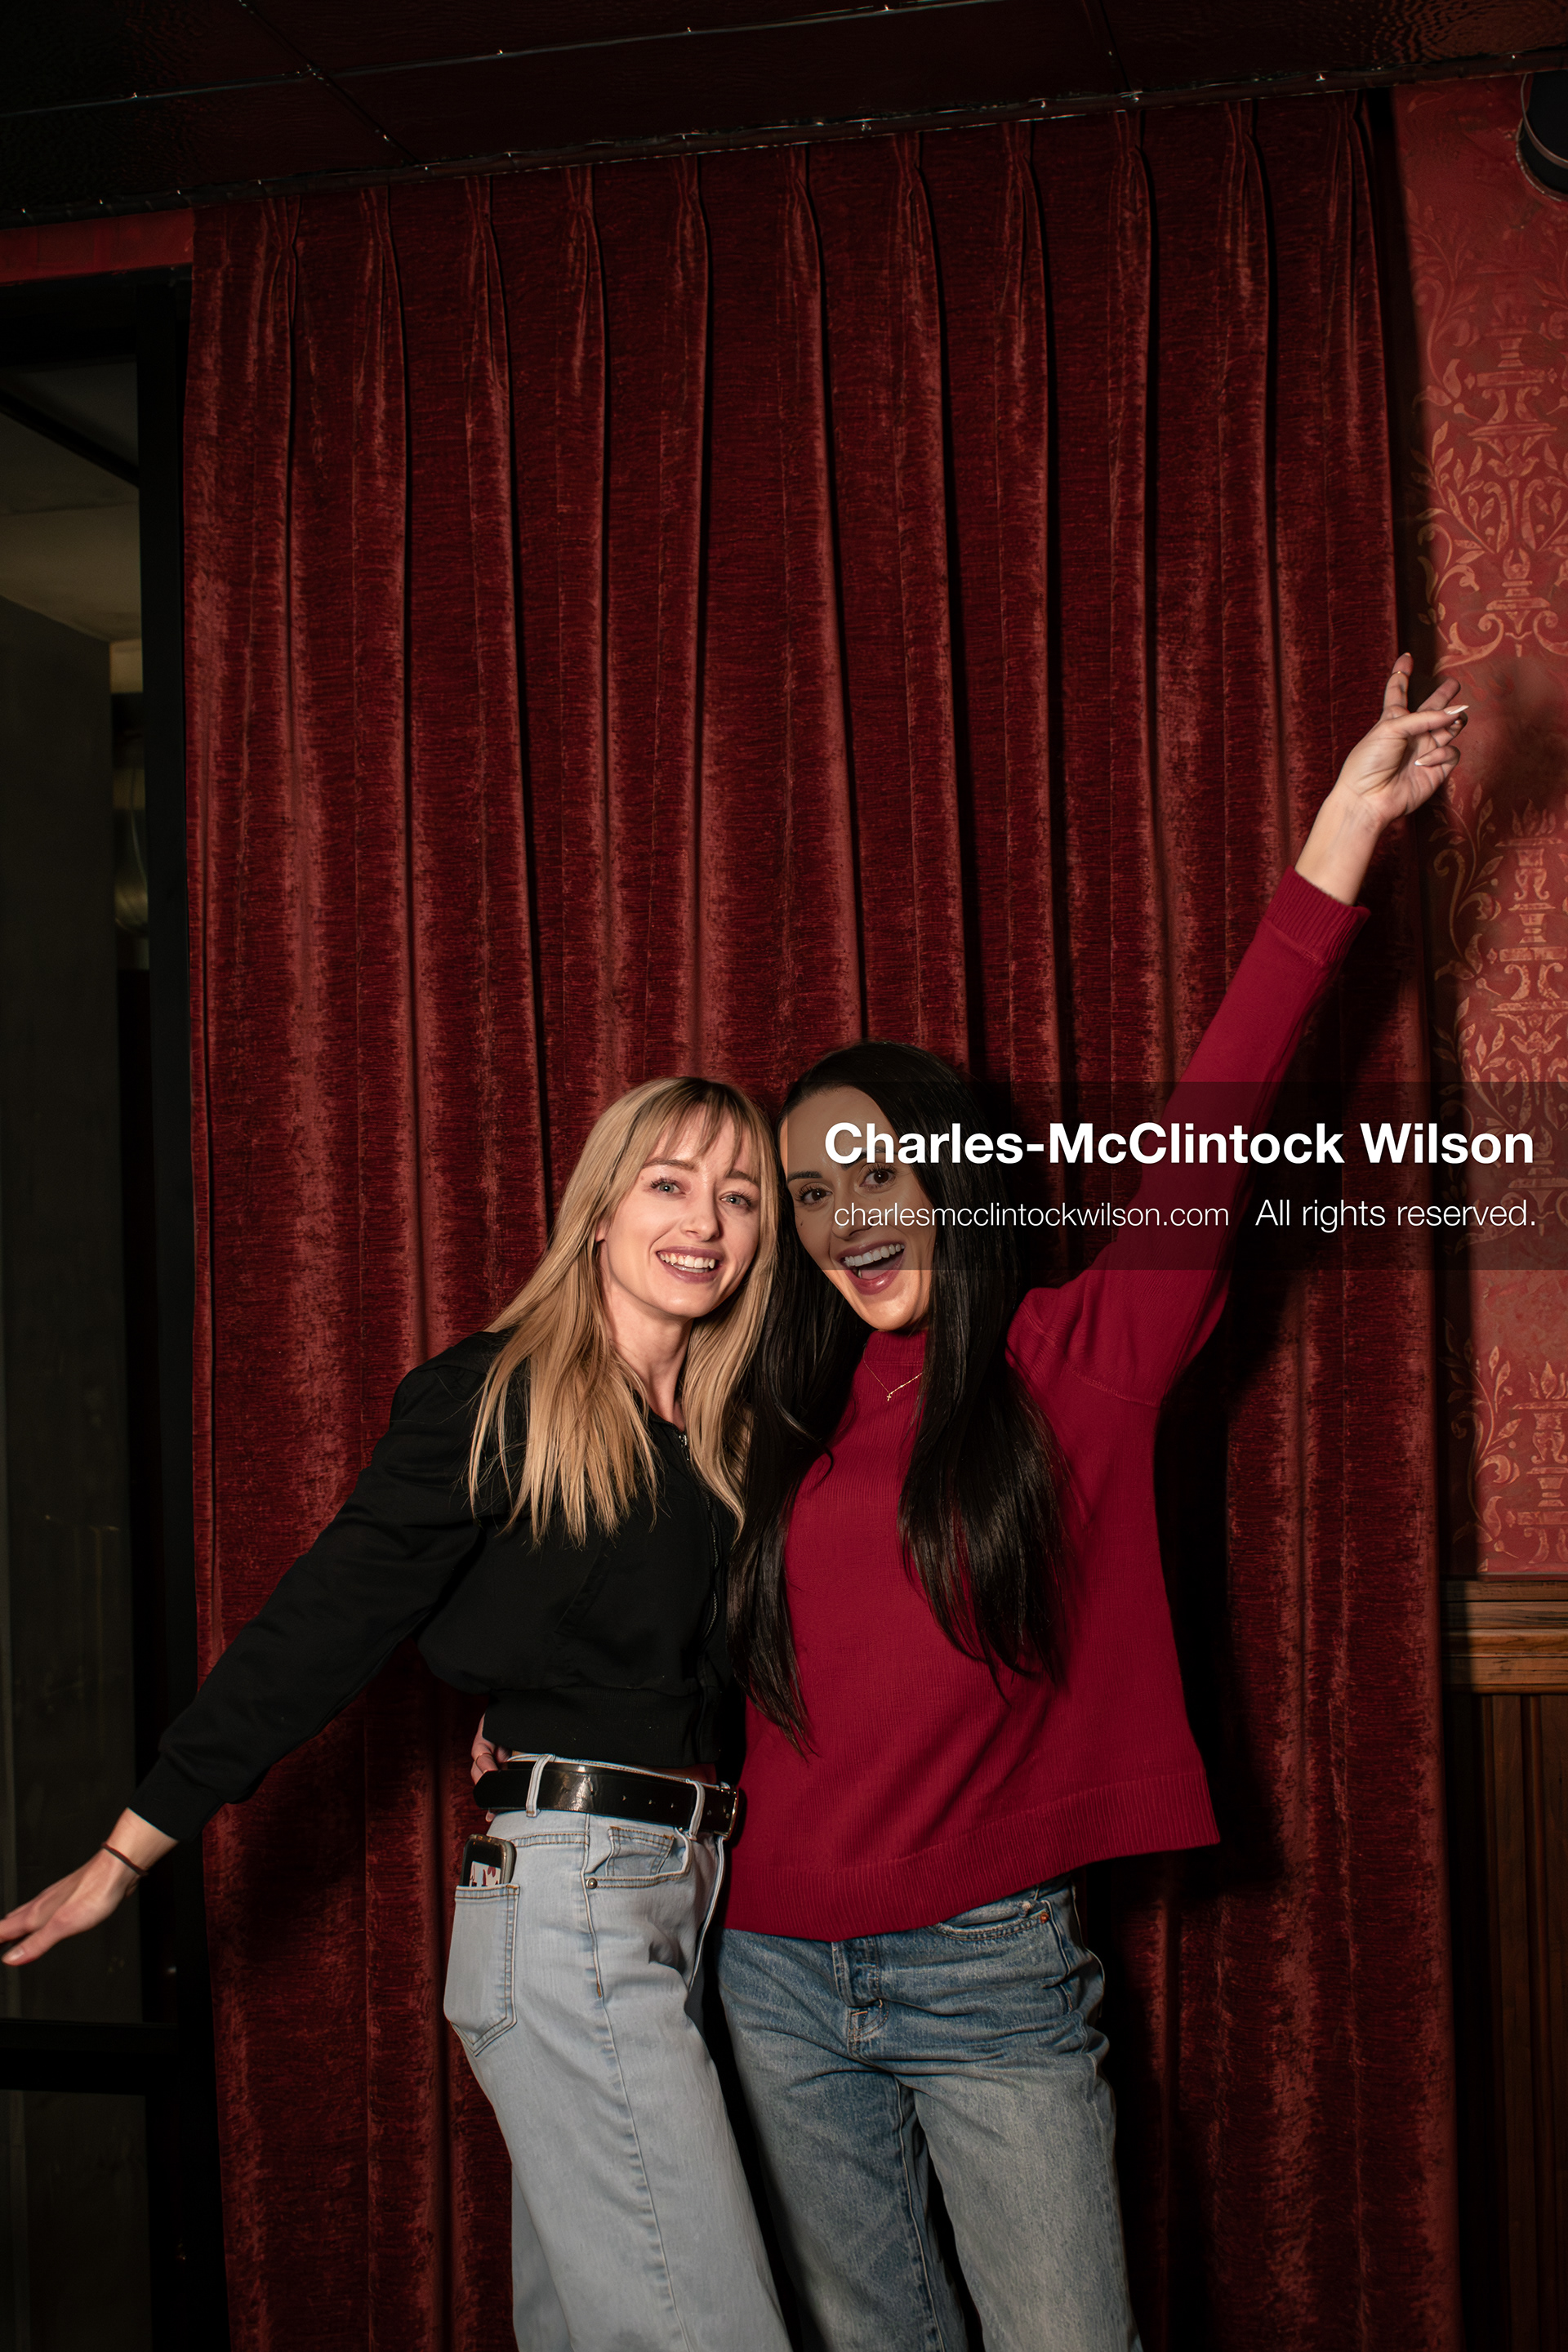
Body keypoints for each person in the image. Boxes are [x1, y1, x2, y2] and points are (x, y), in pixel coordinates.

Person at [712, 657, 1466, 2352]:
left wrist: (1342, 831)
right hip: (762, 1964)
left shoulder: (1084, 1359)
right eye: (815, 1190)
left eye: (882, 1168)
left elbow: (1223, 1117)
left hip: (988, 1976)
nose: (854, 1214)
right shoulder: (767, 1415)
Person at [0, 1076, 794, 2352]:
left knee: (595, 2327)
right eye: (668, 1183)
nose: (704, 1220)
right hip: (572, 1899)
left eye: (738, 1196)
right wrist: (129, 1847)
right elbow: (320, 1626)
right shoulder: (497, 1396)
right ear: (598, 1212)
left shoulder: (729, 1437)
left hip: (690, 1895)